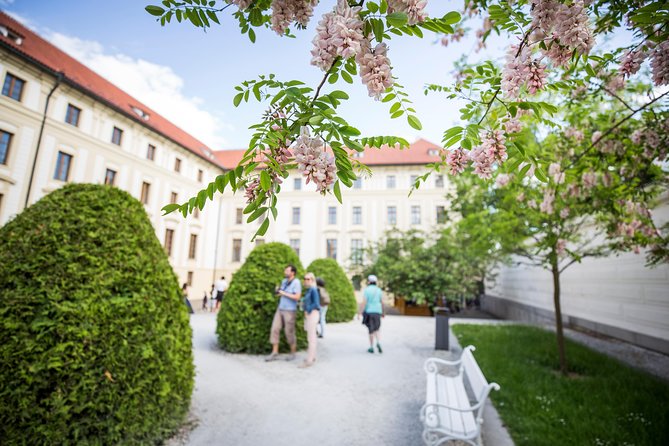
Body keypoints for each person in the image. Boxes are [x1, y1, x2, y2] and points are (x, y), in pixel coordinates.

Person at [266, 265, 302, 362]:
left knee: (289, 332)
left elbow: (297, 297)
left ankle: (293, 352)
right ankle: (274, 352)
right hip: (280, 308)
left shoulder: (296, 282)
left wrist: (283, 293)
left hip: (290, 310)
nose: (285, 271)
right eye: (285, 270)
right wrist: (277, 291)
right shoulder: (284, 281)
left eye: (287, 270)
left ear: (292, 272)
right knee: (274, 329)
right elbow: (280, 294)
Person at [299, 272, 321, 368]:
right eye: (305, 279)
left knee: (311, 337)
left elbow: (316, 303)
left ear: (312, 280)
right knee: (311, 337)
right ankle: (312, 357)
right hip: (310, 314)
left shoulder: (313, 290)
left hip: (313, 314)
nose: (306, 281)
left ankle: (309, 360)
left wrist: (307, 310)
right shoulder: (309, 290)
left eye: (308, 279)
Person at [360, 274, 384, 353]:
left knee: (371, 330)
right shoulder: (379, 290)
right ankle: (378, 342)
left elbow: (364, 302)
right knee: (377, 329)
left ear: (369, 281)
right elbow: (382, 302)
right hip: (377, 311)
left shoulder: (367, 290)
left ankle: (371, 347)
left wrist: (359, 312)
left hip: (369, 311)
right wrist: (383, 312)